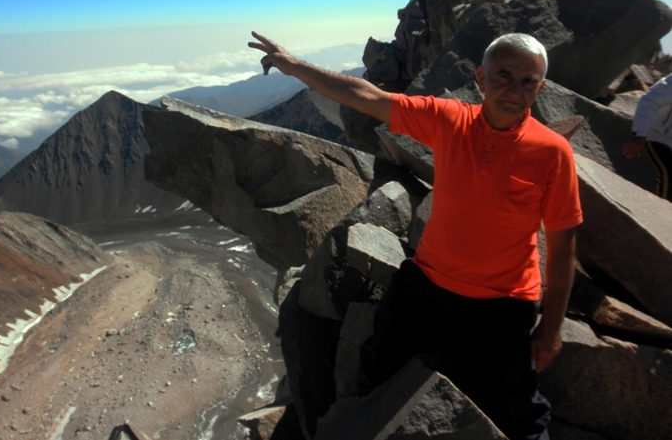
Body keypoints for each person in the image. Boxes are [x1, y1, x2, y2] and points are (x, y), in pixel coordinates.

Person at [248, 31, 582, 440]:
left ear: (541, 87)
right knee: (375, 378)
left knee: (521, 415)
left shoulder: (552, 152)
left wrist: (551, 329)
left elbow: (564, 246)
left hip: (505, 302)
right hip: (428, 285)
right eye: (503, 76)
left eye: (528, 81)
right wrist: (291, 64)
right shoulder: (449, 120)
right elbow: (365, 95)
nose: (515, 90)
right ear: (480, 78)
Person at [623, 72, 672, 201]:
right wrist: (639, 135)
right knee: (669, 173)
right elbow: (649, 101)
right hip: (657, 135)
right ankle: (663, 215)